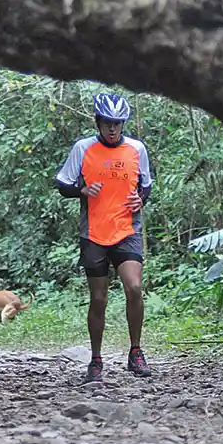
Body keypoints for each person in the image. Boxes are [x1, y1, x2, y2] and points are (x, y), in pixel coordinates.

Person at [53, 91, 154, 382]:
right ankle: (95, 359)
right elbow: (62, 184)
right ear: (98, 122)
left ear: (124, 124)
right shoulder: (83, 148)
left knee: (134, 287)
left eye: (118, 123)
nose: (112, 129)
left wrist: (141, 200)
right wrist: (81, 190)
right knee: (98, 299)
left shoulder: (136, 148)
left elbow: (145, 185)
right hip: (94, 232)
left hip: (127, 230)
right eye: (107, 123)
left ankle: (135, 352)